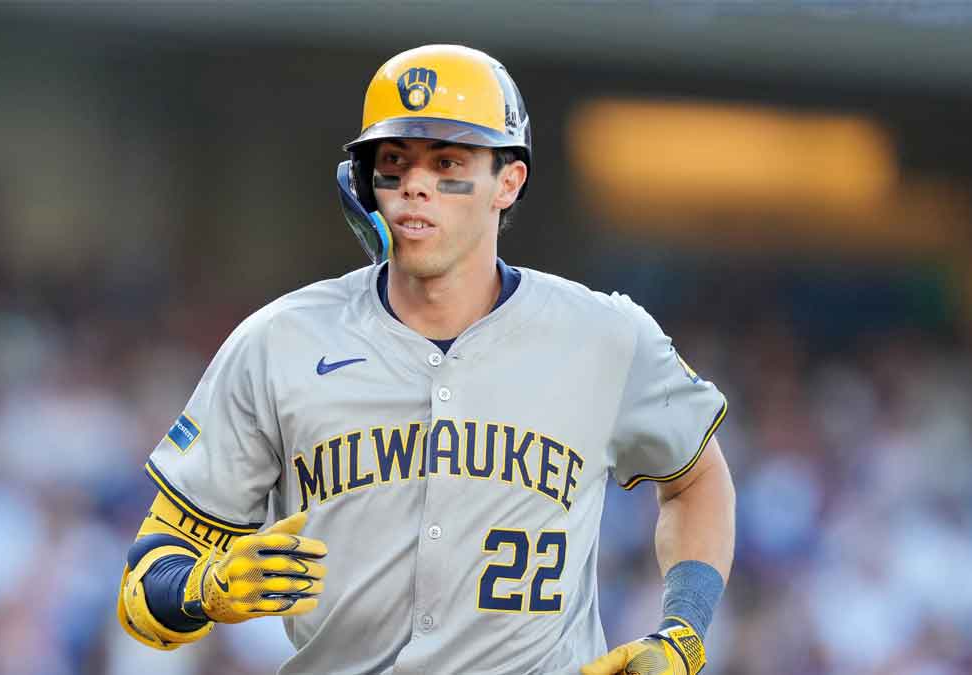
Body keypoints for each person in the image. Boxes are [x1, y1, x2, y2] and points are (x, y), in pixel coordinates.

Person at [116, 44, 734, 675]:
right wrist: (204, 589)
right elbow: (144, 586)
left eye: (448, 162)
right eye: (395, 161)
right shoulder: (279, 342)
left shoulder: (606, 336)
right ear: (364, 182)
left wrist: (683, 629)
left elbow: (697, 480)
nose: (415, 185)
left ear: (509, 181)